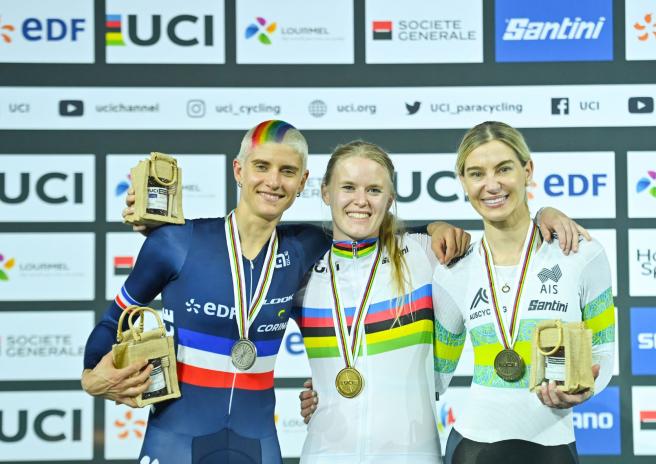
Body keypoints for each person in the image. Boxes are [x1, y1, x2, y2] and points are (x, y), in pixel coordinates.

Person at [82, 120, 465, 464]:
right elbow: (112, 319)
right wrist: (89, 377)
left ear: (303, 183)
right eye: (261, 166)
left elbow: (370, 225)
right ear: (239, 170)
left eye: (287, 171)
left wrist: (436, 228)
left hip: (258, 445)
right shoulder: (176, 242)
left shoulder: (306, 248)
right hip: (175, 442)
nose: (273, 181)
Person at [294, 141, 589, 463]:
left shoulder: (428, 254)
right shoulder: (301, 272)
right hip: (324, 452)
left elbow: (503, 249)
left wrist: (545, 214)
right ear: (325, 192)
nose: (361, 201)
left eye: (375, 190)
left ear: (390, 199)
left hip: (413, 455)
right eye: (347, 187)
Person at [433, 121, 615, 464]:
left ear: (527, 170)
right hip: (471, 447)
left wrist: (586, 387)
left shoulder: (582, 255)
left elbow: (604, 353)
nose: (491, 185)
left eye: (504, 169)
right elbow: (433, 377)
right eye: (476, 173)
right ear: (463, 182)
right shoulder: (451, 270)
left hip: (553, 446)